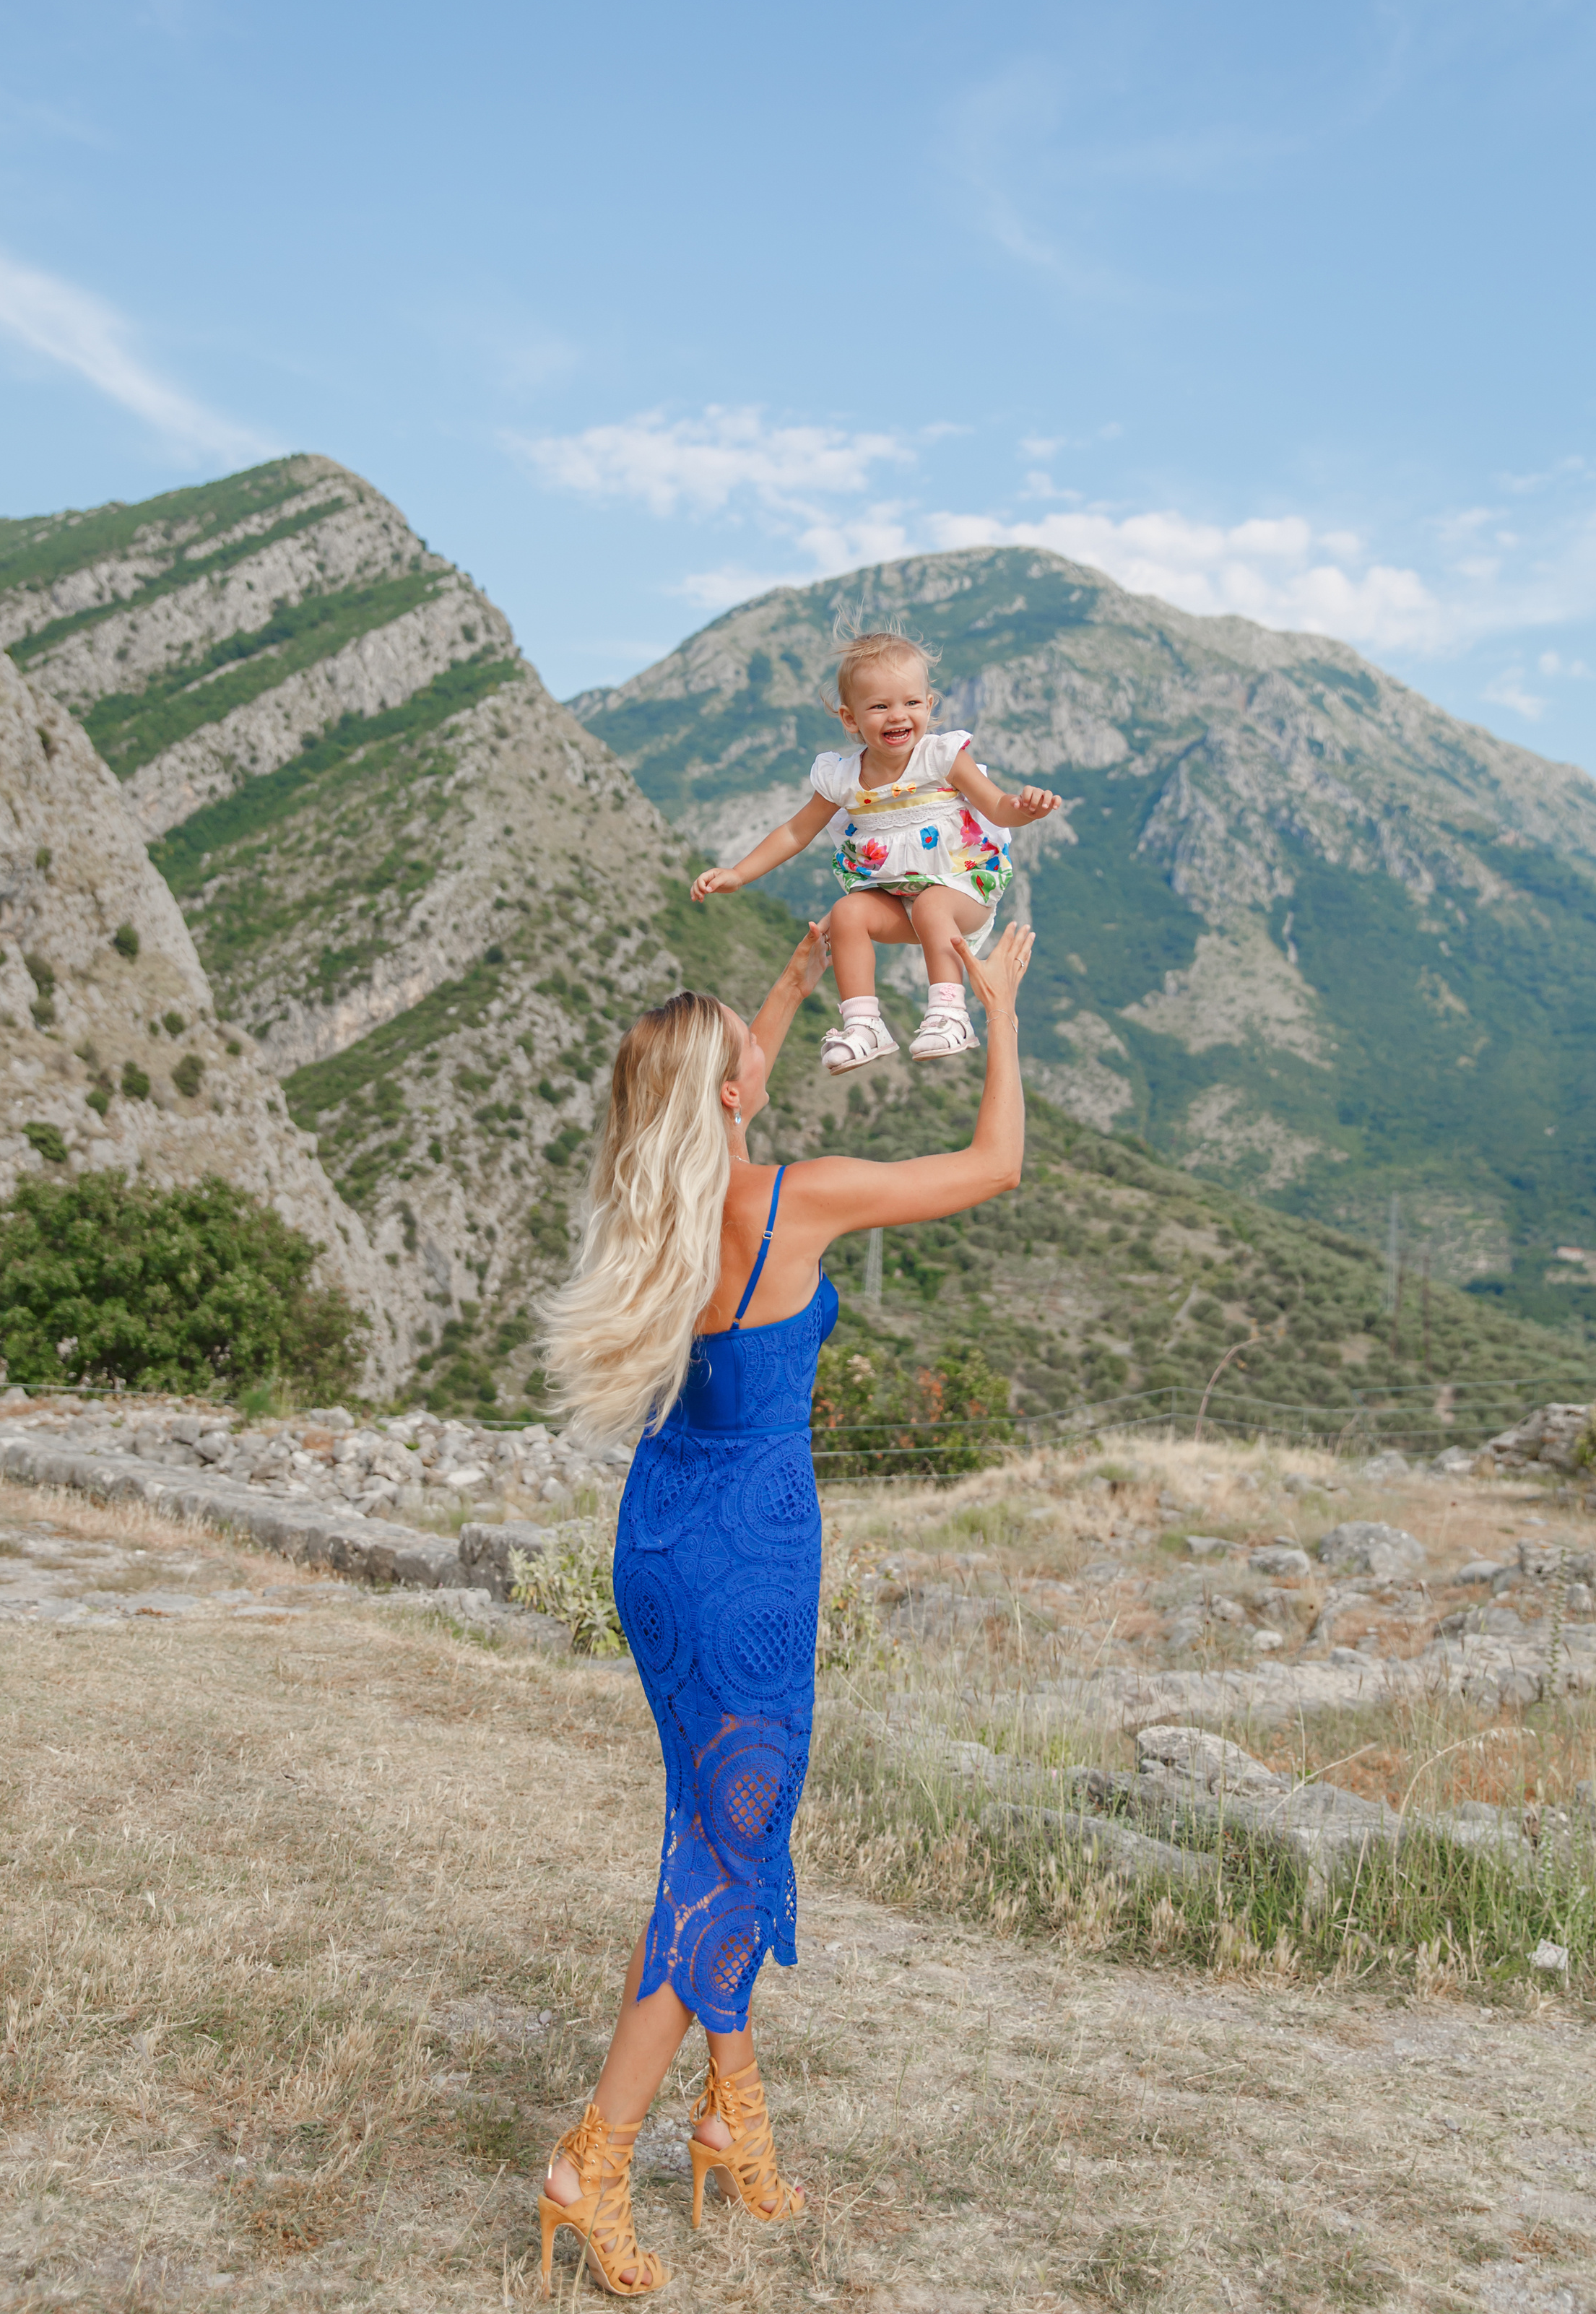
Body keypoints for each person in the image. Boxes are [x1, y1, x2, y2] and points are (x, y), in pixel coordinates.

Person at [534, 914, 1036, 2295]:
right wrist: (993, 1005)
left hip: (658, 1538)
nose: (764, 1061)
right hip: (753, 1554)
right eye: (749, 1058)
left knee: (717, 1827)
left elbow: (721, 1079)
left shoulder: (660, 1209)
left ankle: (729, 2114)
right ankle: (594, 2159)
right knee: (719, 1856)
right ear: (734, 1096)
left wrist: (805, 977)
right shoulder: (789, 1202)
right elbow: (996, 1165)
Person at [690, 627, 1059, 1074]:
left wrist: (1026, 809)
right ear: (851, 719)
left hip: (963, 889)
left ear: (929, 705)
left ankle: (950, 1014)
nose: (897, 716)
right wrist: (739, 873)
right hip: (895, 899)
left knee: (932, 906)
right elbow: (795, 832)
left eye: (911, 703)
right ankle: (863, 1026)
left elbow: (998, 808)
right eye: (880, 706)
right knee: (847, 913)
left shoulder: (941, 758)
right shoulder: (842, 779)